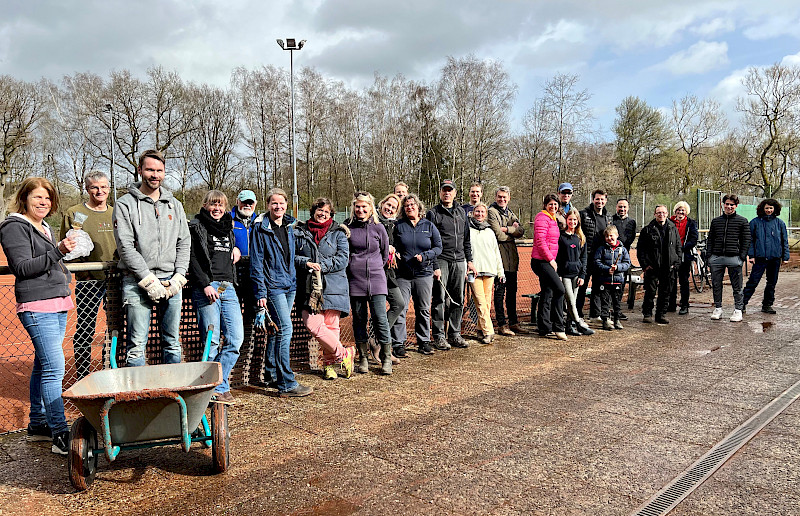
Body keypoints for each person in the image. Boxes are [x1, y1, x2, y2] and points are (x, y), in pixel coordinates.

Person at [0, 177, 76, 455]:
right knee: (55, 368)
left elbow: (50, 260)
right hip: (36, 304)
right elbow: (22, 267)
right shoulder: (13, 227)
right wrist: (59, 251)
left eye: (47, 198)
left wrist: (65, 254)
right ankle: (59, 433)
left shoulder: (44, 227)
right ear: (24, 199)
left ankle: (37, 425)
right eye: (37, 198)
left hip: (58, 300)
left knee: (44, 365)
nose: (43, 203)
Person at [113, 149, 190, 367]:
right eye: (149, 170)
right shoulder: (125, 204)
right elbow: (125, 247)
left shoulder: (175, 205)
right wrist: (147, 279)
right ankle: (139, 398)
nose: (154, 175)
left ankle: (172, 394)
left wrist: (179, 278)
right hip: (137, 282)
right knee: (137, 345)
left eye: (159, 170)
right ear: (140, 170)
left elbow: (184, 242)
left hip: (170, 280)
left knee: (172, 342)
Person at [251, 188, 313, 397]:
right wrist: (261, 292)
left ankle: (270, 375)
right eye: (274, 203)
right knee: (285, 329)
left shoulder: (288, 226)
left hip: (289, 285)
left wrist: (304, 266)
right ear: (268, 205)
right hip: (273, 286)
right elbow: (257, 262)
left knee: (277, 331)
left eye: (281, 203)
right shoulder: (260, 228)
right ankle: (286, 383)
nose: (278, 207)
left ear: (287, 204)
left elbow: (291, 256)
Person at [189, 191, 244, 404]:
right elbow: (192, 258)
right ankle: (209, 390)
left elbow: (231, 250)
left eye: (220, 205)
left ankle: (218, 385)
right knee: (211, 342)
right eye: (213, 204)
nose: (217, 208)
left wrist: (236, 249)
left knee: (235, 340)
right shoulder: (196, 227)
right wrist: (204, 284)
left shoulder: (228, 228)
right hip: (207, 288)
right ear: (205, 206)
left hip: (227, 287)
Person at [59, 170, 116, 379]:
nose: (99, 191)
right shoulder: (74, 213)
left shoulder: (117, 212)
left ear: (109, 188)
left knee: (114, 329)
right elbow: (67, 248)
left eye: (104, 187)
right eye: (94, 187)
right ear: (87, 189)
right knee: (85, 326)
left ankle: (108, 372)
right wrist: (81, 271)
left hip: (115, 281)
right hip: (89, 280)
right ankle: (83, 374)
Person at [294, 198, 355, 380]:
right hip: (309, 287)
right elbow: (293, 256)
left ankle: (329, 366)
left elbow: (343, 259)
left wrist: (321, 265)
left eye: (326, 212)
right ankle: (345, 354)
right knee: (312, 324)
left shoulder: (339, 233)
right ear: (313, 212)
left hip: (334, 285)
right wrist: (307, 263)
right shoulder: (300, 232)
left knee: (331, 326)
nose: (322, 214)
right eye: (319, 210)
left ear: (331, 214)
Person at [345, 192, 393, 375]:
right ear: (354, 208)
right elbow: (347, 253)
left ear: (371, 208)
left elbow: (383, 254)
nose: (361, 210)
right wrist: (354, 267)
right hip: (355, 282)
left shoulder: (379, 228)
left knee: (380, 319)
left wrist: (374, 268)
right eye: (358, 206)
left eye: (364, 207)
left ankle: (386, 357)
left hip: (377, 280)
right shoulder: (348, 228)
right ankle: (363, 357)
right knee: (359, 319)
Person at [426, 179, 476, 350]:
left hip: (460, 260)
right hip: (442, 260)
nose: (447, 193)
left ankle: (455, 334)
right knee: (439, 298)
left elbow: (466, 239)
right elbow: (430, 242)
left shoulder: (462, 213)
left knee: (458, 299)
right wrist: (434, 265)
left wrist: (469, 261)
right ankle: (439, 336)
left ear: (455, 193)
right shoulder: (433, 213)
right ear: (440, 193)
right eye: (444, 190)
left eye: (450, 190)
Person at [392, 194, 442, 355]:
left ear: (419, 207)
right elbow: (392, 245)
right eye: (406, 206)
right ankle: (398, 344)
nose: (409, 207)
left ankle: (424, 341)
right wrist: (396, 253)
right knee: (401, 309)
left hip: (424, 274)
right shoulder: (398, 226)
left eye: (412, 205)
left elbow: (438, 247)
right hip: (403, 275)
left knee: (423, 309)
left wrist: (425, 256)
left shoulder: (429, 225)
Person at [487, 186, 527, 336]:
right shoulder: (492, 212)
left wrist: (507, 229)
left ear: (509, 198)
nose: (502, 199)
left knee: (512, 292)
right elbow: (498, 234)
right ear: (496, 197)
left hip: (512, 260)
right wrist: (512, 230)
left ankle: (514, 322)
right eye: (499, 197)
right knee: (499, 293)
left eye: (505, 197)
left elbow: (521, 231)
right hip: (500, 260)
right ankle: (501, 324)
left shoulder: (510, 212)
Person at [707, 194, 751, 322]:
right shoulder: (716, 221)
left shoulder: (742, 221)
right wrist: (709, 256)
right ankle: (718, 308)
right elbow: (711, 239)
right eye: (727, 204)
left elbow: (746, 240)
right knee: (716, 284)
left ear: (736, 206)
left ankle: (738, 310)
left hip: (734, 258)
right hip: (717, 257)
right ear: (723, 204)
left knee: (737, 286)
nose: (729, 207)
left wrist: (741, 257)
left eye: (732, 205)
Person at [742, 199, 790, 315]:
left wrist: (785, 256)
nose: (769, 210)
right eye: (767, 208)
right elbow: (750, 240)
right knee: (753, 281)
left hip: (774, 257)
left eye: (771, 208)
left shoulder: (780, 223)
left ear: (775, 209)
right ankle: (742, 303)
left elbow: (784, 241)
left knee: (771, 282)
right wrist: (751, 255)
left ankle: (767, 304)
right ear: (763, 208)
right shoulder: (754, 223)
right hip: (760, 258)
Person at [531, 194, 567, 340]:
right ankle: (559, 326)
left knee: (547, 292)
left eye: (555, 204)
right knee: (560, 289)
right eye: (550, 204)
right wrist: (550, 259)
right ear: (545, 205)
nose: (553, 207)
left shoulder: (553, 219)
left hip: (548, 261)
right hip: (541, 261)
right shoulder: (542, 218)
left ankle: (544, 327)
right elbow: (540, 241)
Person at [637, 205, 681, 324]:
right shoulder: (647, 230)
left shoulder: (673, 228)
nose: (661, 214)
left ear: (667, 214)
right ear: (655, 214)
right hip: (652, 267)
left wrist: (676, 263)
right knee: (650, 292)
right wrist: (645, 265)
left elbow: (678, 247)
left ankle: (661, 314)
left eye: (663, 212)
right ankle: (647, 313)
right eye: (658, 212)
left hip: (668, 267)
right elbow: (641, 249)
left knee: (665, 292)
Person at [468, 203, 504, 344]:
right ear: (473, 212)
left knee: (486, 304)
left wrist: (500, 272)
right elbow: (465, 250)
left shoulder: (490, 232)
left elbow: (496, 252)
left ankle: (480, 329)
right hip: (474, 271)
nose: (480, 214)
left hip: (490, 271)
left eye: (483, 212)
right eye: (477, 211)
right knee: (480, 302)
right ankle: (489, 331)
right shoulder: (468, 230)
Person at [378, 193, 407, 360]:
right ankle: (383, 351)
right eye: (387, 205)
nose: (389, 209)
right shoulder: (374, 222)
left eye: (393, 208)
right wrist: (386, 246)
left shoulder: (394, 226)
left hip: (390, 273)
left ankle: (376, 339)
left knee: (399, 304)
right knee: (379, 310)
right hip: (376, 273)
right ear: (382, 204)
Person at [577, 189, 613, 322]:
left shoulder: (609, 217)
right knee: (582, 286)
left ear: (606, 200)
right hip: (586, 256)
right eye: (597, 199)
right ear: (593, 199)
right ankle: (578, 315)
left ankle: (595, 314)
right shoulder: (584, 214)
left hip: (601, 258)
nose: (600, 201)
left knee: (598, 287)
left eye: (602, 199)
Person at [557, 210, 594, 336]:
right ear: (566, 220)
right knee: (570, 301)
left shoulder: (580, 238)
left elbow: (584, 259)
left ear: (578, 221)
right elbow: (558, 257)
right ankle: (579, 323)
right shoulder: (561, 237)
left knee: (573, 301)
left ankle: (569, 326)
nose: (572, 222)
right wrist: (559, 274)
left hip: (576, 274)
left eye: (575, 220)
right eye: (570, 219)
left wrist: (582, 275)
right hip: (564, 274)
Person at [593, 226, 631, 330]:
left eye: (611, 236)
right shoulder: (602, 249)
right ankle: (605, 320)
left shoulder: (622, 250)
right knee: (605, 302)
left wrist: (618, 267)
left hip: (618, 281)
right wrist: (607, 269)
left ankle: (617, 320)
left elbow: (627, 263)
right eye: (607, 236)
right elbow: (597, 262)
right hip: (605, 281)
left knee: (617, 302)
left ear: (617, 236)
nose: (609, 238)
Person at [668, 201, 699, 315]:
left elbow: (693, 238)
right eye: (678, 210)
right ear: (675, 211)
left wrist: (682, 248)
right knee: (671, 280)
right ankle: (671, 304)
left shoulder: (691, 223)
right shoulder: (669, 222)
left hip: (685, 255)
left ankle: (684, 305)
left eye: (683, 210)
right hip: (671, 255)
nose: (680, 212)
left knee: (684, 280)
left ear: (686, 212)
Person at [611, 198, 637, 320]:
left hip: (624, 256)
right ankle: (606, 309)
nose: (622, 209)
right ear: (616, 207)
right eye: (620, 207)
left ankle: (617, 309)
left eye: (624, 207)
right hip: (611, 255)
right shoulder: (611, 220)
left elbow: (631, 238)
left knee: (621, 283)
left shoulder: (632, 222)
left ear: (628, 208)